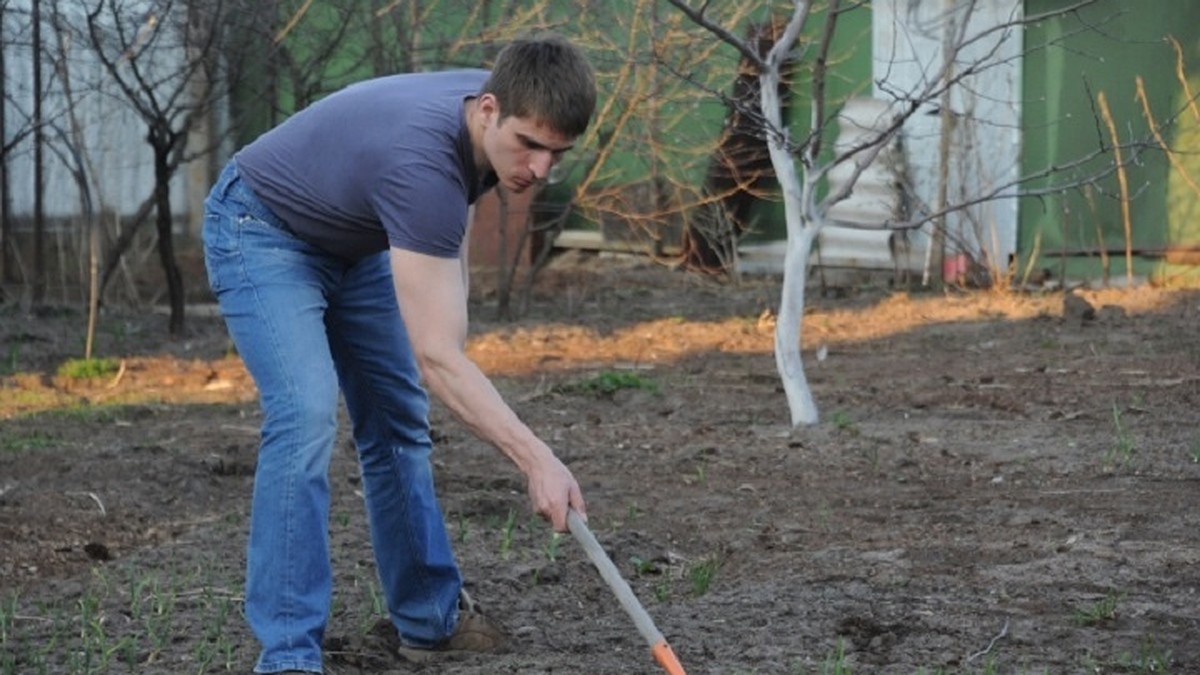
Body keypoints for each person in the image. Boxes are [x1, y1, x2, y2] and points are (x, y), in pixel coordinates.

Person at [201, 36, 596, 674]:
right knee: (304, 417)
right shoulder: (422, 167)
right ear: (488, 109)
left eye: (558, 152)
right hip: (260, 228)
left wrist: (456, 355)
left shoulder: (500, 103)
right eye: (530, 145)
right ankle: (288, 655)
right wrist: (537, 459)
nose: (541, 168)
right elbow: (437, 357)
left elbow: (443, 312)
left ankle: (428, 619)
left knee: (397, 420)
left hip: (354, 242)